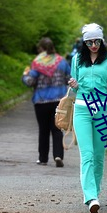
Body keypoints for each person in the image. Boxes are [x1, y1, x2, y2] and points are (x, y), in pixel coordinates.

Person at [68, 23, 107, 213]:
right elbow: (74, 89)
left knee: (99, 156)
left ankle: (95, 193)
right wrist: (73, 84)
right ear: (84, 42)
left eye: (97, 41)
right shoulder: (76, 60)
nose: (93, 45)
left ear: (102, 40)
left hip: (103, 111)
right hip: (81, 110)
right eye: (89, 42)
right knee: (87, 154)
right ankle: (90, 197)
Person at [22, 37, 71, 167]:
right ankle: (58, 155)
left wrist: (25, 75)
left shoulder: (37, 63)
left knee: (43, 130)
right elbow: (69, 79)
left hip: (41, 101)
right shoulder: (62, 62)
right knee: (57, 129)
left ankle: (43, 158)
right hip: (58, 101)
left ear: (41, 49)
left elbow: (30, 82)